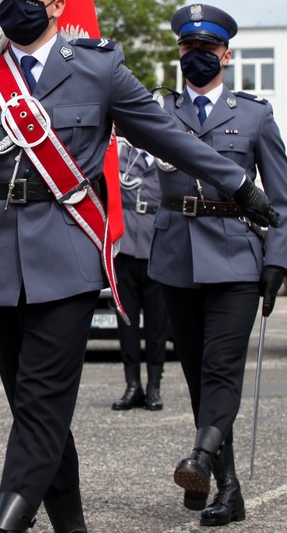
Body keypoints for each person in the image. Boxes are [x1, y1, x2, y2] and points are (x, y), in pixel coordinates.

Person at [0, 0, 279, 533]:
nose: (18, 4)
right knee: (34, 409)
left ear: (57, 4)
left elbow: (169, 135)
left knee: (39, 404)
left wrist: (238, 182)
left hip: (65, 248)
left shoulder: (97, 67)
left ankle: (4, 523)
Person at [147, 3, 287, 527]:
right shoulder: (158, 111)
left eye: (208, 50)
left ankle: (200, 459)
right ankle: (226, 486)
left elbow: (282, 196)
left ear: (226, 55)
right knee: (195, 376)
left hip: (236, 255)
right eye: (189, 49)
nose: (198, 58)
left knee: (221, 368)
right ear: (179, 53)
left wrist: (279, 259)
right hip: (176, 255)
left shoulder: (254, 114)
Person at [111, 139, 168, 412]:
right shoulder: (122, 154)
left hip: (156, 251)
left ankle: (154, 387)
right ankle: (132, 385)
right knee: (127, 323)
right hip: (124, 252)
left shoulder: (166, 160)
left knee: (157, 327)